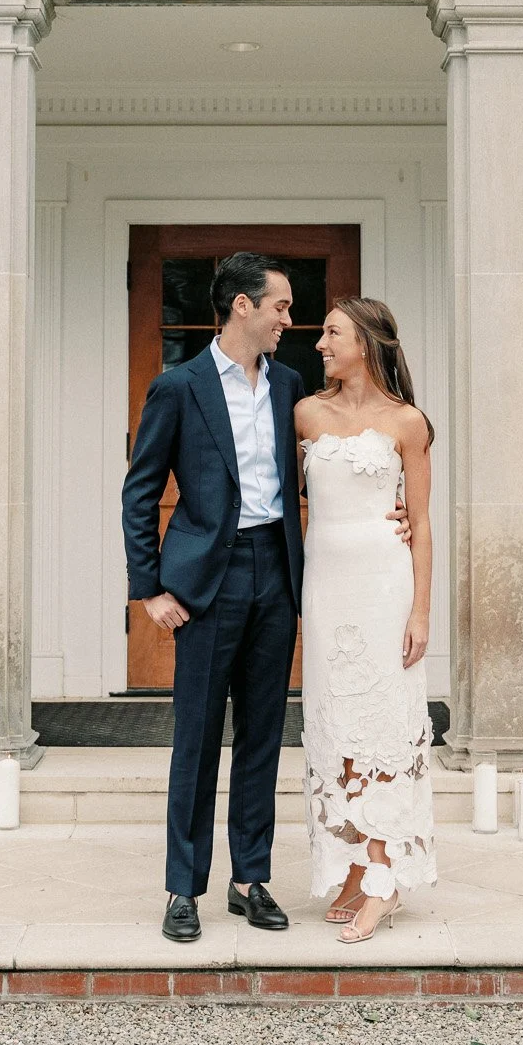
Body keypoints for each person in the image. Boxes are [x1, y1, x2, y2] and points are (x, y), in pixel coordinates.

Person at [121, 252, 306, 945]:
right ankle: (183, 887)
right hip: (205, 580)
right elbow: (140, 492)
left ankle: (249, 880)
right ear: (241, 306)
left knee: (262, 736)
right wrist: (148, 590)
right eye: (280, 306)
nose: (288, 319)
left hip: (276, 574)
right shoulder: (179, 387)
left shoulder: (290, 385)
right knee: (197, 739)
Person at [297, 296, 437, 944]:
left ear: (367, 342)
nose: (320, 343)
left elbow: (423, 524)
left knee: (380, 729)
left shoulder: (408, 423)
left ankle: (383, 882)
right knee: (338, 731)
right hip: (326, 592)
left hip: (384, 589)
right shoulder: (304, 415)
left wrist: (420, 612)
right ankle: (355, 862)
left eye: (331, 333)